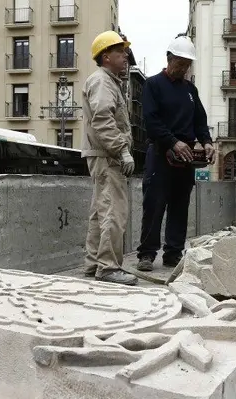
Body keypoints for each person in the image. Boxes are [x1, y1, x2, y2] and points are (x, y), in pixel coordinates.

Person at [136, 35, 215, 272]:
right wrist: (172, 142)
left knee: (180, 207)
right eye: (179, 63)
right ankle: (147, 254)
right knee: (154, 205)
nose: (183, 68)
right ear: (169, 59)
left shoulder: (191, 90)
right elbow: (151, 121)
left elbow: (200, 121)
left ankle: (173, 253)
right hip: (161, 155)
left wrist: (207, 142)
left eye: (187, 64)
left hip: (186, 157)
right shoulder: (153, 85)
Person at [81, 30, 138, 285]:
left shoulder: (107, 81)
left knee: (99, 212)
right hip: (108, 156)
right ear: (106, 57)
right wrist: (122, 150)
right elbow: (103, 119)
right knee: (114, 212)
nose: (125, 56)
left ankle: (94, 263)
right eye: (120, 52)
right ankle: (108, 267)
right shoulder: (103, 82)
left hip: (102, 155)